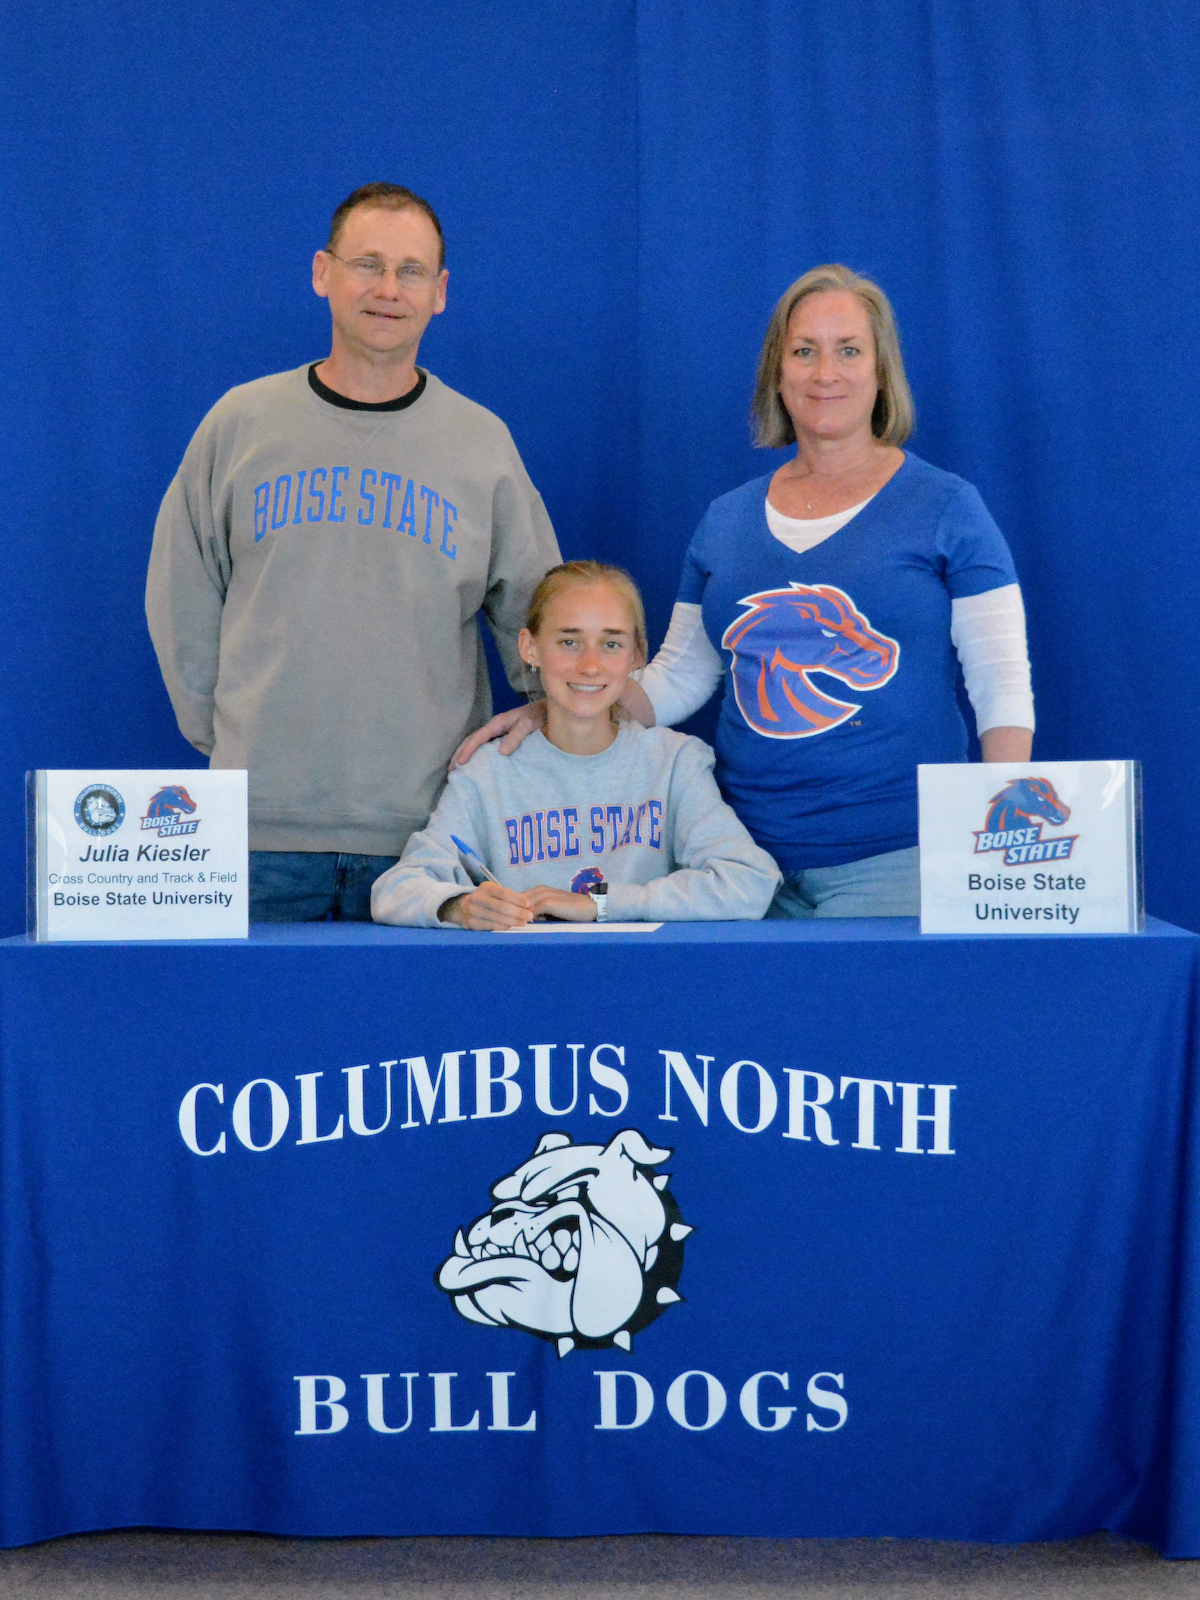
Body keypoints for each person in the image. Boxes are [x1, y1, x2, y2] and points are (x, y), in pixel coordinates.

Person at [454, 265, 1034, 919]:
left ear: (881, 372)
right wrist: (563, 706)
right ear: (777, 373)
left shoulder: (948, 507)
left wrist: (997, 840)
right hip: (742, 870)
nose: (825, 372)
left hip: (901, 859)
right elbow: (677, 679)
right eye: (804, 351)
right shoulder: (726, 520)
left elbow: (1001, 682)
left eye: (849, 350)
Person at [146, 182, 560, 922]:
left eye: (410, 271)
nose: (388, 288)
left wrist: (544, 709)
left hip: (431, 836)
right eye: (367, 264)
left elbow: (541, 611)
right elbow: (182, 597)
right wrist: (238, 741)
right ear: (322, 273)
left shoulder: (480, 443)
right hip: (255, 832)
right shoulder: (241, 423)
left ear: (440, 292)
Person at [371, 561, 779, 928]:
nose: (590, 665)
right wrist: (459, 906)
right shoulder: (488, 772)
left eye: (611, 643)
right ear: (530, 648)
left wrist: (600, 904)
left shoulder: (675, 763)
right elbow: (395, 889)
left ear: (637, 655)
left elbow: (750, 881)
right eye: (569, 641)